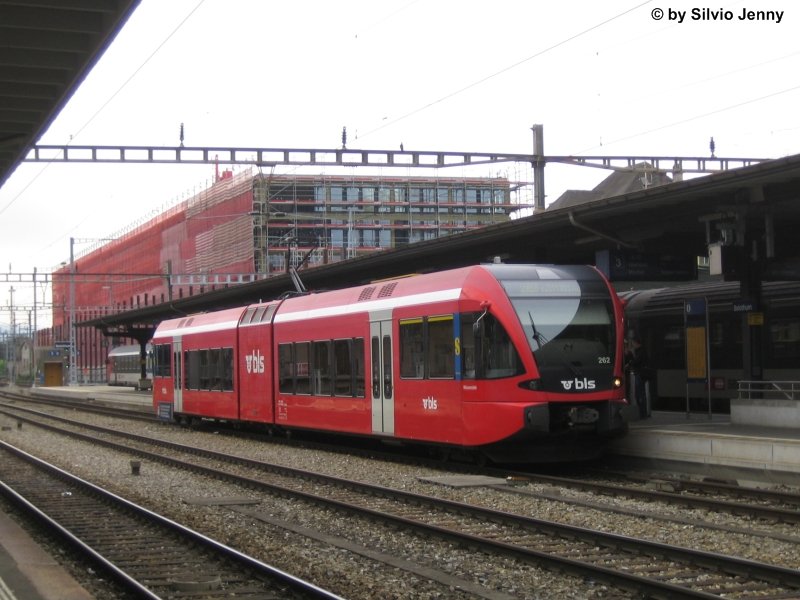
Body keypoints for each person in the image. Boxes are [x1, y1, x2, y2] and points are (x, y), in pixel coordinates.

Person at [625, 337, 650, 418]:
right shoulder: (640, 351)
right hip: (639, 374)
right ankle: (642, 413)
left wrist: (629, 364)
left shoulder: (641, 351)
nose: (632, 345)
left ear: (636, 343)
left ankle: (643, 413)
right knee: (639, 394)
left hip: (640, 374)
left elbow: (636, 360)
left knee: (640, 394)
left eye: (633, 343)